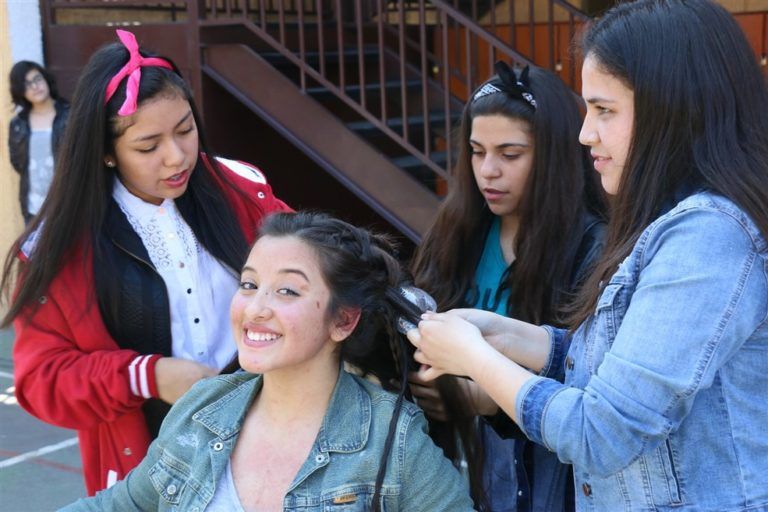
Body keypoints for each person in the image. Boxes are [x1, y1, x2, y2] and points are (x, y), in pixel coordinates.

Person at [408, 1, 768, 510]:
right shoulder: (672, 222)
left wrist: (474, 358)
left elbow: (601, 432)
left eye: (604, 110)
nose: (585, 134)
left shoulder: (708, 235)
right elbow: (613, 367)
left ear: (672, 109)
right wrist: (509, 335)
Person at [0, 30, 290, 496]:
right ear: (105, 152)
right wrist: (146, 376)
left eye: (185, 129)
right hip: (149, 472)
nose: (176, 157)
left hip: (271, 440)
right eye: (148, 145)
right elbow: (42, 381)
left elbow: (314, 268)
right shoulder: (58, 248)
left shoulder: (242, 190)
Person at [60, 211, 475, 511]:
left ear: (343, 321)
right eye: (249, 284)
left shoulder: (392, 438)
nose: (255, 308)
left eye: (287, 291)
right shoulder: (203, 409)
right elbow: (123, 505)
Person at [409, 62, 606, 511]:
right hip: (455, 473)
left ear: (553, 156)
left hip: (548, 483)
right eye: (477, 151)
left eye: (510, 154)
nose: (488, 171)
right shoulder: (457, 231)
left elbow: (588, 388)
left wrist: (482, 399)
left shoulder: (591, 248)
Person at [8, 60, 70, 224]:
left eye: (37, 79)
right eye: (27, 84)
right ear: (21, 91)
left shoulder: (70, 115)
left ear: (46, 79)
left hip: (68, 204)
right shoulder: (18, 124)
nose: (35, 86)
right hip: (34, 208)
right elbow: (18, 163)